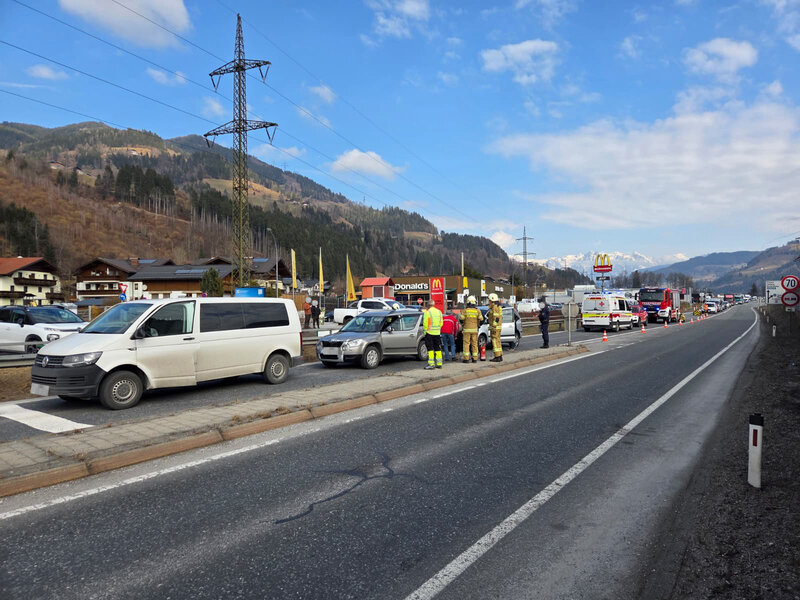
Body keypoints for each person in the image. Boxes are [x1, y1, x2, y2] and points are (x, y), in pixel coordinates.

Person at [458, 295, 482, 363]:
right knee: (474, 344)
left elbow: (461, 319)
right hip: (475, 330)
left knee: (466, 344)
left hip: (466, 330)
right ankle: (475, 358)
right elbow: (481, 319)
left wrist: (463, 325)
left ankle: (466, 358)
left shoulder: (465, 310)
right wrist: (478, 325)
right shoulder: (478, 310)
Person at [423, 299, 444, 370]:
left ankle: (431, 364)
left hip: (429, 333)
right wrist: (437, 329)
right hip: (437, 333)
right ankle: (439, 363)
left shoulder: (427, 312)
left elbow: (425, 323)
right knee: (438, 348)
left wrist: (425, 331)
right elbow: (441, 323)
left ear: (428, 305)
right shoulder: (439, 312)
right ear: (434, 305)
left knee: (430, 349)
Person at [487, 293, 503, 362]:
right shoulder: (498, 306)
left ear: (492, 300)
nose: (489, 301)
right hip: (498, 327)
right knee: (498, 341)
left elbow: (496, 318)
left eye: (489, 300)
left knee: (495, 342)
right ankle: (500, 355)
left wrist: (493, 326)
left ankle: (497, 356)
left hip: (495, 328)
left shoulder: (494, 307)